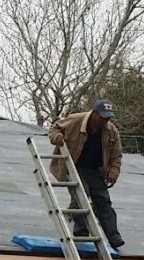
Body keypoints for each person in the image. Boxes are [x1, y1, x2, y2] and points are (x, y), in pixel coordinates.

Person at [48, 99, 125, 248]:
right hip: (74, 164)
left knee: (103, 200)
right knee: (81, 193)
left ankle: (113, 235)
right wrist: (57, 138)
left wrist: (114, 172)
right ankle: (81, 230)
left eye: (108, 118)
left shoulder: (111, 131)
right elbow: (54, 129)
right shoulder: (76, 120)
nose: (105, 121)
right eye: (103, 117)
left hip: (95, 169)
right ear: (94, 114)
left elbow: (116, 155)